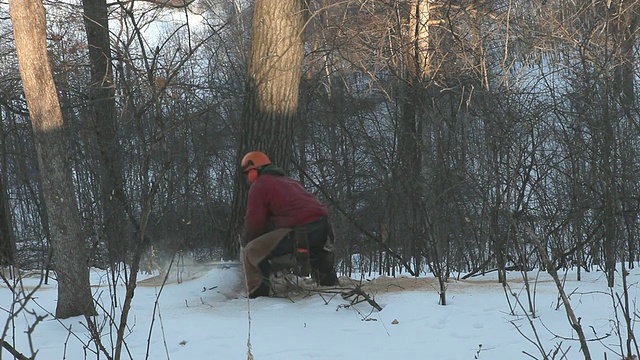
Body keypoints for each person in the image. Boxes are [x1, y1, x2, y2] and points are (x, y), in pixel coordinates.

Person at [240, 151, 339, 298]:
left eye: (247, 173)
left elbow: (254, 221)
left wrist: (248, 242)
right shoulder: (289, 181)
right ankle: (330, 285)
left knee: (252, 252)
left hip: (301, 229)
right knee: (317, 251)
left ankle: (258, 296)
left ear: (254, 171)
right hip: (323, 225)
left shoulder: (260, 185)